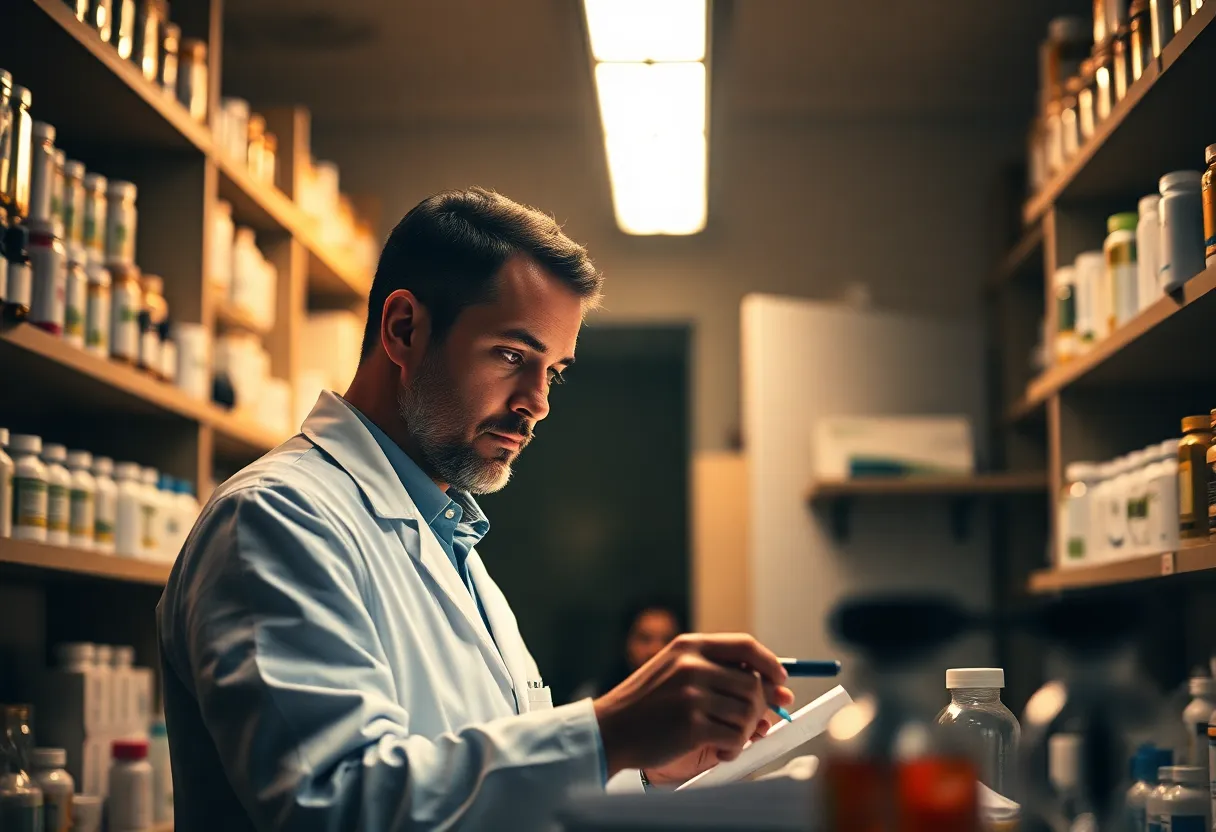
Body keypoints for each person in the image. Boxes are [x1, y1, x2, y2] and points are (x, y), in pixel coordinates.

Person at [157, 188, 794, 831]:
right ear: (405, 329)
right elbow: (335, 807)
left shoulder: (450, 539)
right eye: (513, 356)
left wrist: (647, 770)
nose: (537, 402)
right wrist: (608, 732)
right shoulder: (275, 519)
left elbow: (492, 791)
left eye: (555, 371)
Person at [572, 600, 687, 701]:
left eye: (668, 640)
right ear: (626, 643)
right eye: (644, 639)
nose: (655, 650)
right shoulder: (593, 699)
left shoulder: (694, 699)